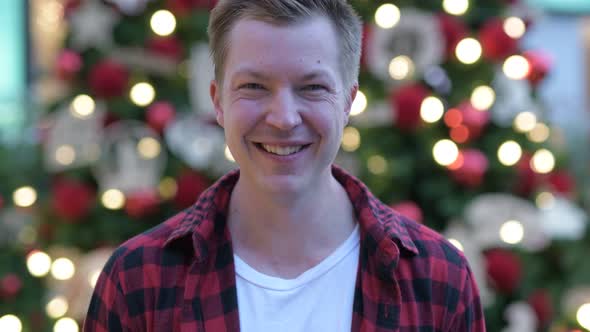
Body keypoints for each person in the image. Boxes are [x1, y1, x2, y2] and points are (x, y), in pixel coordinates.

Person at [84, 1, 486, 331]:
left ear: (348, 102)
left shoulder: (438, 279)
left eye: (312, 87)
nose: (284, 118)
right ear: (218, 101)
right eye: (254, 87)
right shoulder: (138, 280)